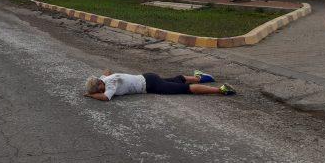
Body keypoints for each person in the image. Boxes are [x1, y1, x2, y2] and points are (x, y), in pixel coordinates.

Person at [84, 70, 236, 102]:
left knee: (185, 89)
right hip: (147, 77)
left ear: (100, 84)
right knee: (175, 80)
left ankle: (221, 90)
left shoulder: (110, 84)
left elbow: (105, 98)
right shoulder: (105, 79)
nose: (102, 91)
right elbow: (106, 71)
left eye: (99, 89)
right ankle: (201, 77)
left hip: (151, 84)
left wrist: (91, 95)